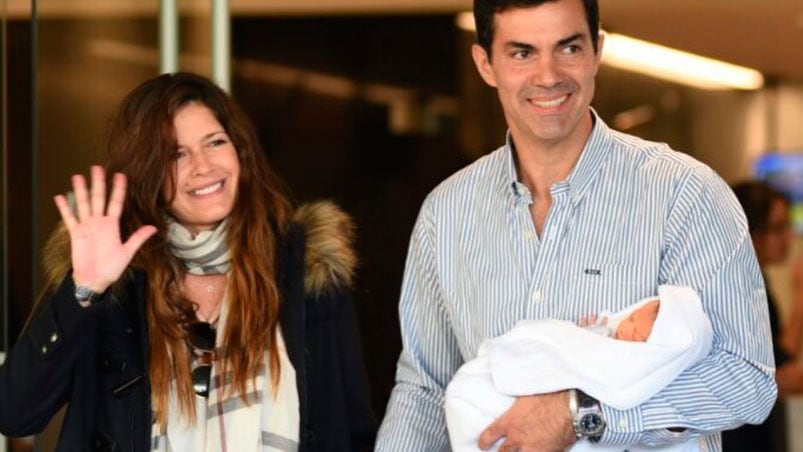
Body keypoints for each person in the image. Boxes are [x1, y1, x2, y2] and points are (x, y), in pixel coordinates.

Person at [375, 0, 776, 450]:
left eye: (568, 48)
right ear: (485, 64)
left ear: (597, 50)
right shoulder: (446, 213)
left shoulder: (685, 195)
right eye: (522, 53)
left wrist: (583, 413)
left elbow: (745, 380)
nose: (548, 76)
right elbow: (425, 389)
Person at [0, 72, 376, 451]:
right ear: (146, 173)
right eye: (175, 154)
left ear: (240, 151)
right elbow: (16, 412)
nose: (203, 166)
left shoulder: (305, 268)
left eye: (215, 142)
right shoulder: (118, 276)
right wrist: (85, 291)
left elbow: (351, 426)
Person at [445, 286, 713, 452]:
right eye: (631, 316)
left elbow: (617, 382)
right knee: (470, 394)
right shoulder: (444, 210)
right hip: (501, 392)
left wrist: (569, 414)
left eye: (641, 335)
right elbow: (568, 345)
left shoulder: (638, 365)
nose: (627, 326)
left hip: (574, 432)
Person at [723, 181, 803, 452]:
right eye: (779, 228)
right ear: (753, 233)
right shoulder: (741, 292)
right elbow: (781, 372)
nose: (789, 237)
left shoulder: (753, 283)